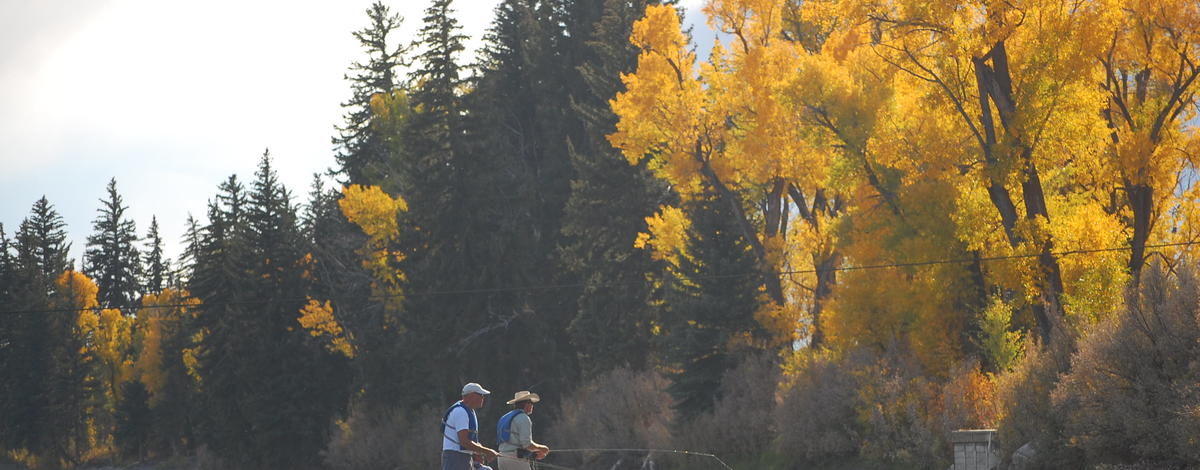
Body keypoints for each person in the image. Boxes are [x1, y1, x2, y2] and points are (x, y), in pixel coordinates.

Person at [442, 383, 500, 470]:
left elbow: (468, 442)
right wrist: (487, 451)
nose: (483, 398)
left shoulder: (467, 411)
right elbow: (464, 442)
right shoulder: (461, 412)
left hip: (462, 457)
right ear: (472, 396)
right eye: (481, 395)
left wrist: (480, 452)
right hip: (456, 457)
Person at [495, 390, 551, 470]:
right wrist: (543, 449)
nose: (532, 405)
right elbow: (527, 444)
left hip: (501, 458)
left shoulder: (504, 418)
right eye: (530, 402)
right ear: (525, 404)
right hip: (516, 459)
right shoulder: (524, 418)